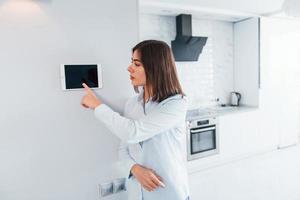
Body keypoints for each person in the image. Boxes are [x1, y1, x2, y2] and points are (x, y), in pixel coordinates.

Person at [81, 40, 190, 200]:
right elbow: (124, 148)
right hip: (137, 194)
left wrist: (97, 105)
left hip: (169, 194)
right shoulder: (132, 103)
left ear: (155, 68)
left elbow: (132, 132)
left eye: (137, 64)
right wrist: (135, 169)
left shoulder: (176, 104)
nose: (129, 68)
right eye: (132, 62)